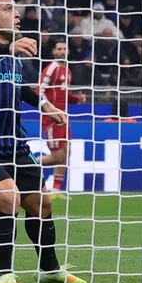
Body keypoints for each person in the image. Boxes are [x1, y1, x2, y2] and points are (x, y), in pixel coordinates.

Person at [0, 0, 85, 283]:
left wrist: (46, 105)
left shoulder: (13, 52)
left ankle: (50, 270)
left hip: (15, 145)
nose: (17, 14)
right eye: (7, 9)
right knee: (8, 197)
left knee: (41, 204)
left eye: (15, 8)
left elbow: (21, 88)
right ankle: (4, 274)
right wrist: (9, 49)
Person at [37, 38, 84, 200]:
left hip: (63, 118)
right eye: (59, 49)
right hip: (52, 119)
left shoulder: (67, 71)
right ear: (54, 51)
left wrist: (77, 99)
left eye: (64, 49)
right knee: (57, 157)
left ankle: (56, 189)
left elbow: (66, 94)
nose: (62, 52)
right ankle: (24, 165)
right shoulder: (52, 68)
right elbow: (39, 91)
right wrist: (49, 110)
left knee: (67, 152)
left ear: (68, 51)